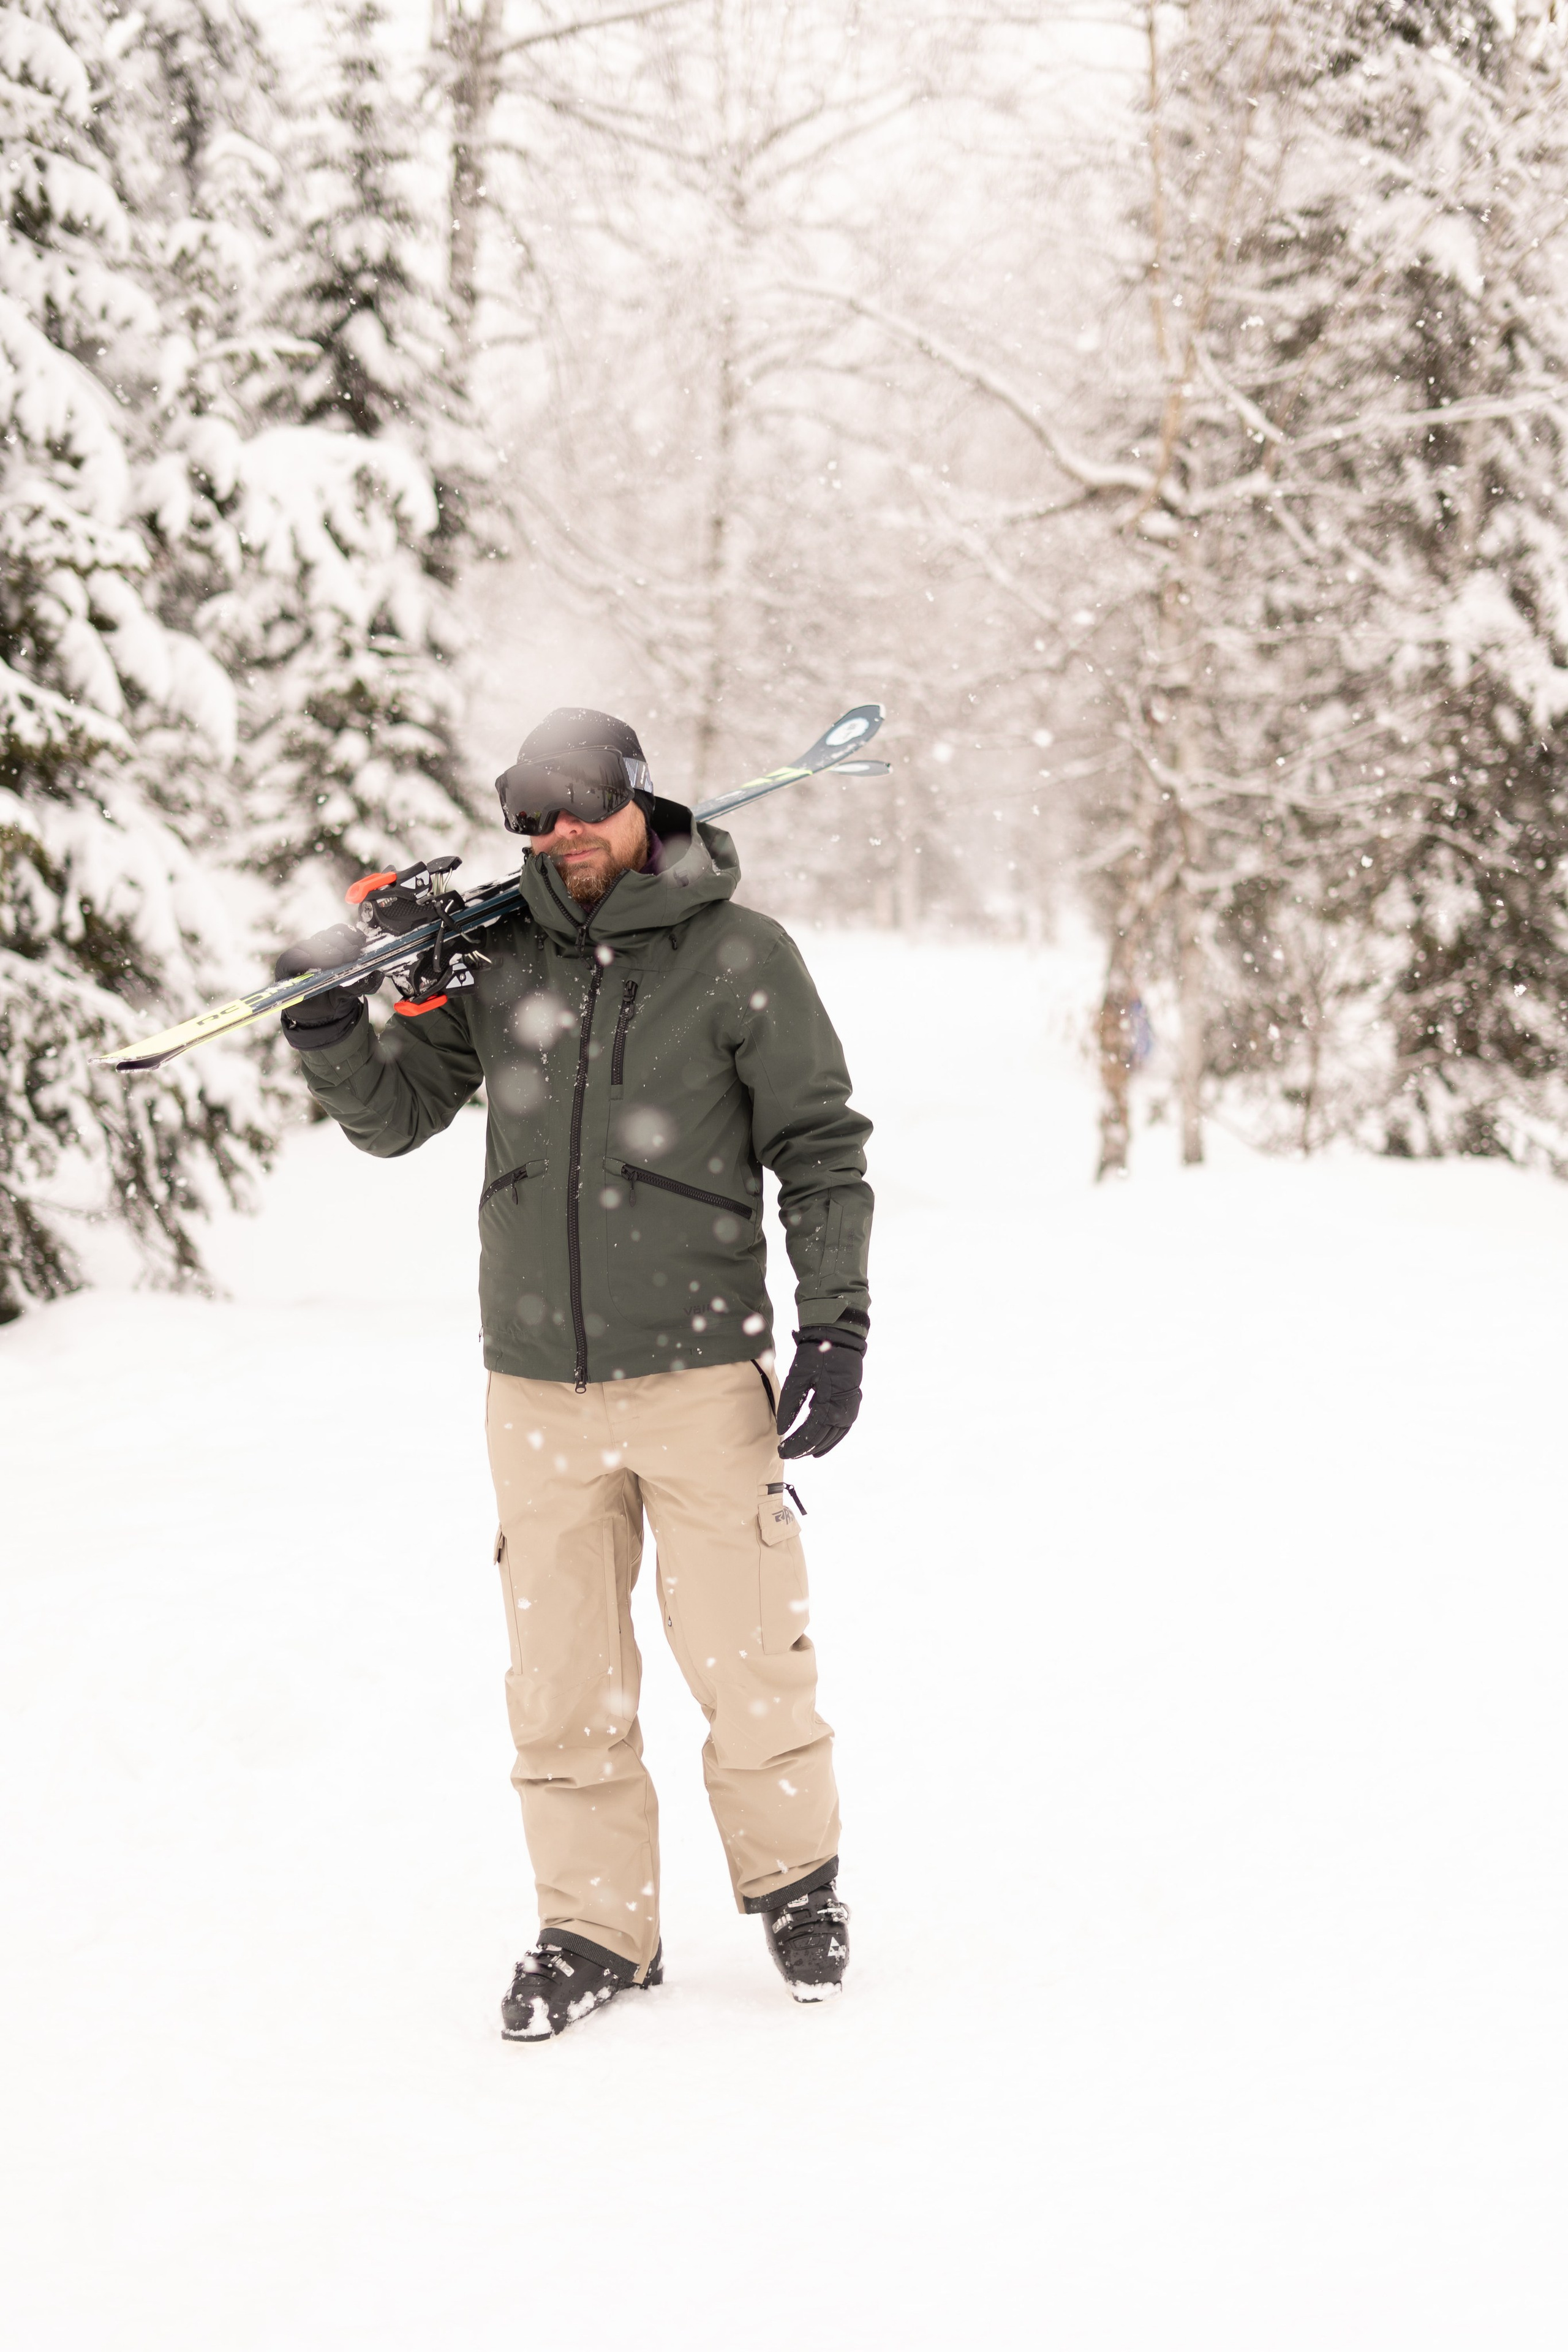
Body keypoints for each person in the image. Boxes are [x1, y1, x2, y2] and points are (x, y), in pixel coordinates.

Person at [274, 707, 873, 2040]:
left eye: (580, 811)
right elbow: (397, 1120)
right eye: (532, 819)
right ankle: (594, 1927)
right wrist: (330, 1025)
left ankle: (797, 1888)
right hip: (535, 1383)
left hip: (703, 1372)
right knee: (560, 1677)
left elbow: (821, 1148)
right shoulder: (493, 958)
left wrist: (834, 1324)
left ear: (638, 803)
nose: (560, 841)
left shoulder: (738, 957)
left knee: (744, 1650)